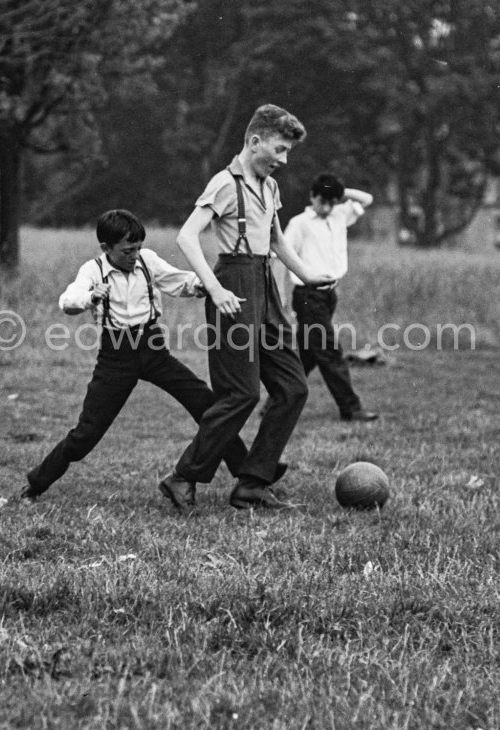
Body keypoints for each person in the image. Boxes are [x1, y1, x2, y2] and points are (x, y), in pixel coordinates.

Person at [159, 104, 336, 512]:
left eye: (288, 152)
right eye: (279, 149)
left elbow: (276, 242)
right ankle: (182, 477)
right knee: (240, 393)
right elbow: (187, 238)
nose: (283, 159)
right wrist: (214, 287)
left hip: (266, 287)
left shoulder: (270, 187)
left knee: (293, 387)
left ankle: (252, 483)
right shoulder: (224, 183)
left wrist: (307, 275)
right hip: (233, 285)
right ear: (254, 141)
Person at [10, 209, 249, 508]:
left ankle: (249, 475)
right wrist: (90, 298)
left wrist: (205, 285)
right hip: (116, 356)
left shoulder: (147, 261)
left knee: (206, 403)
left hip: (153, 349)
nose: (134, 255)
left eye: (137, 248)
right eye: (127, 250)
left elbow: (178, 281)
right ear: (106, 248)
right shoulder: (92, 271)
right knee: (87, 433)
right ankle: (34, 485)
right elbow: (68, 301)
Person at [284, 172, 378, 421]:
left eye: (330, 202)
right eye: (321, 200)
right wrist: (282, 298)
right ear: (312, 197)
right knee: (330, 351)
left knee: (308, 354)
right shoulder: (299, 223)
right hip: (307, 295)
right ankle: (351, 407)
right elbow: (281, 257)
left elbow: (367, 199)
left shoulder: (339, 215)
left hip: (328, 295)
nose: (325, 207)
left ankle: (277, 401)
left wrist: (338, 190)